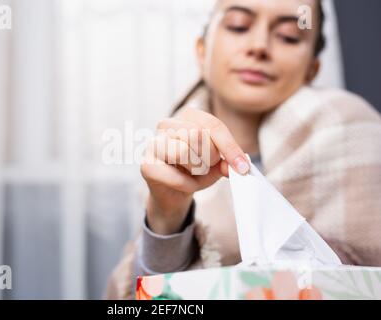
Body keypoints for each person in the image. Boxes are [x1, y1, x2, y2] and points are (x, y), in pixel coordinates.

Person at [106, 0, 381, 299]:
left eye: (289, 35)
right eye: (238, 25)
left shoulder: (356, 136)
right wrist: (166, 219)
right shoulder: (169, 158)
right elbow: (142, 300)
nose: (259, 46)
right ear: (202, 50)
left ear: (312, 69)